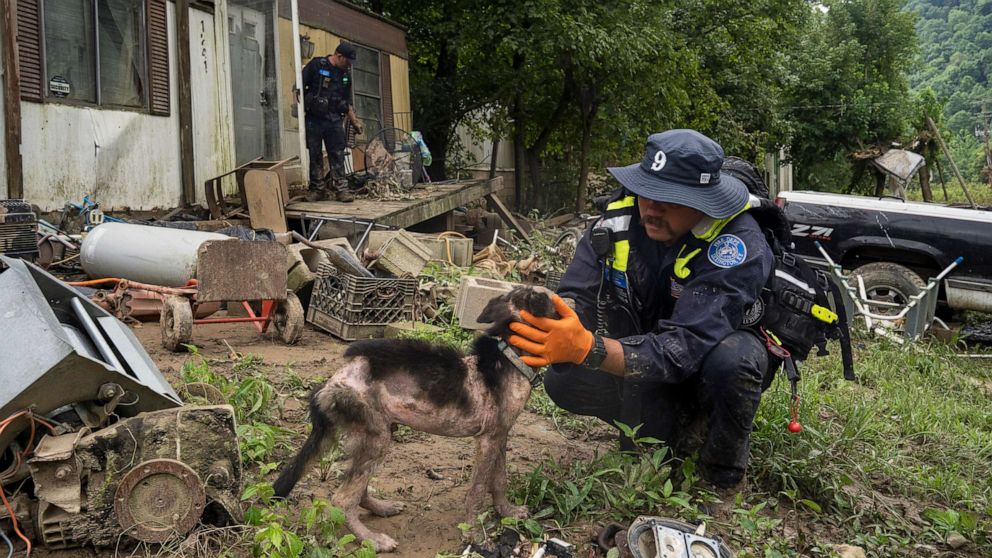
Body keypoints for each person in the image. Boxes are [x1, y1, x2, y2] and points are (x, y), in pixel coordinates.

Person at [508, 129, 776, 492]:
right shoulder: (615, 223)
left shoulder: (737, 245)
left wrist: (591, 349)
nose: (651, 207)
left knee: (733, 362)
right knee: (565, 378)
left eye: (669, 199)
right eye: (646, 192)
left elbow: (685, 346)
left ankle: (721, 475)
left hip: (704, 357)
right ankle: (659, 427)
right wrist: (553, 317)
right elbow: (576, 295)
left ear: (704, 201)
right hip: (647, 347)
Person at [300, 42, 364, 202]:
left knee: (337, 154)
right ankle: (317, 189)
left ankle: (341, 190)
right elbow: (299, 87)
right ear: (339, 56)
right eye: (347, 61)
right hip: (314, 119)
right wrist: (302, 106)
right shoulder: (316, 65)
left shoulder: (345, 75)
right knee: (315, 154)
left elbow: (347, 101)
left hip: (335, 119)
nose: (349, 65)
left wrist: (354, 121)